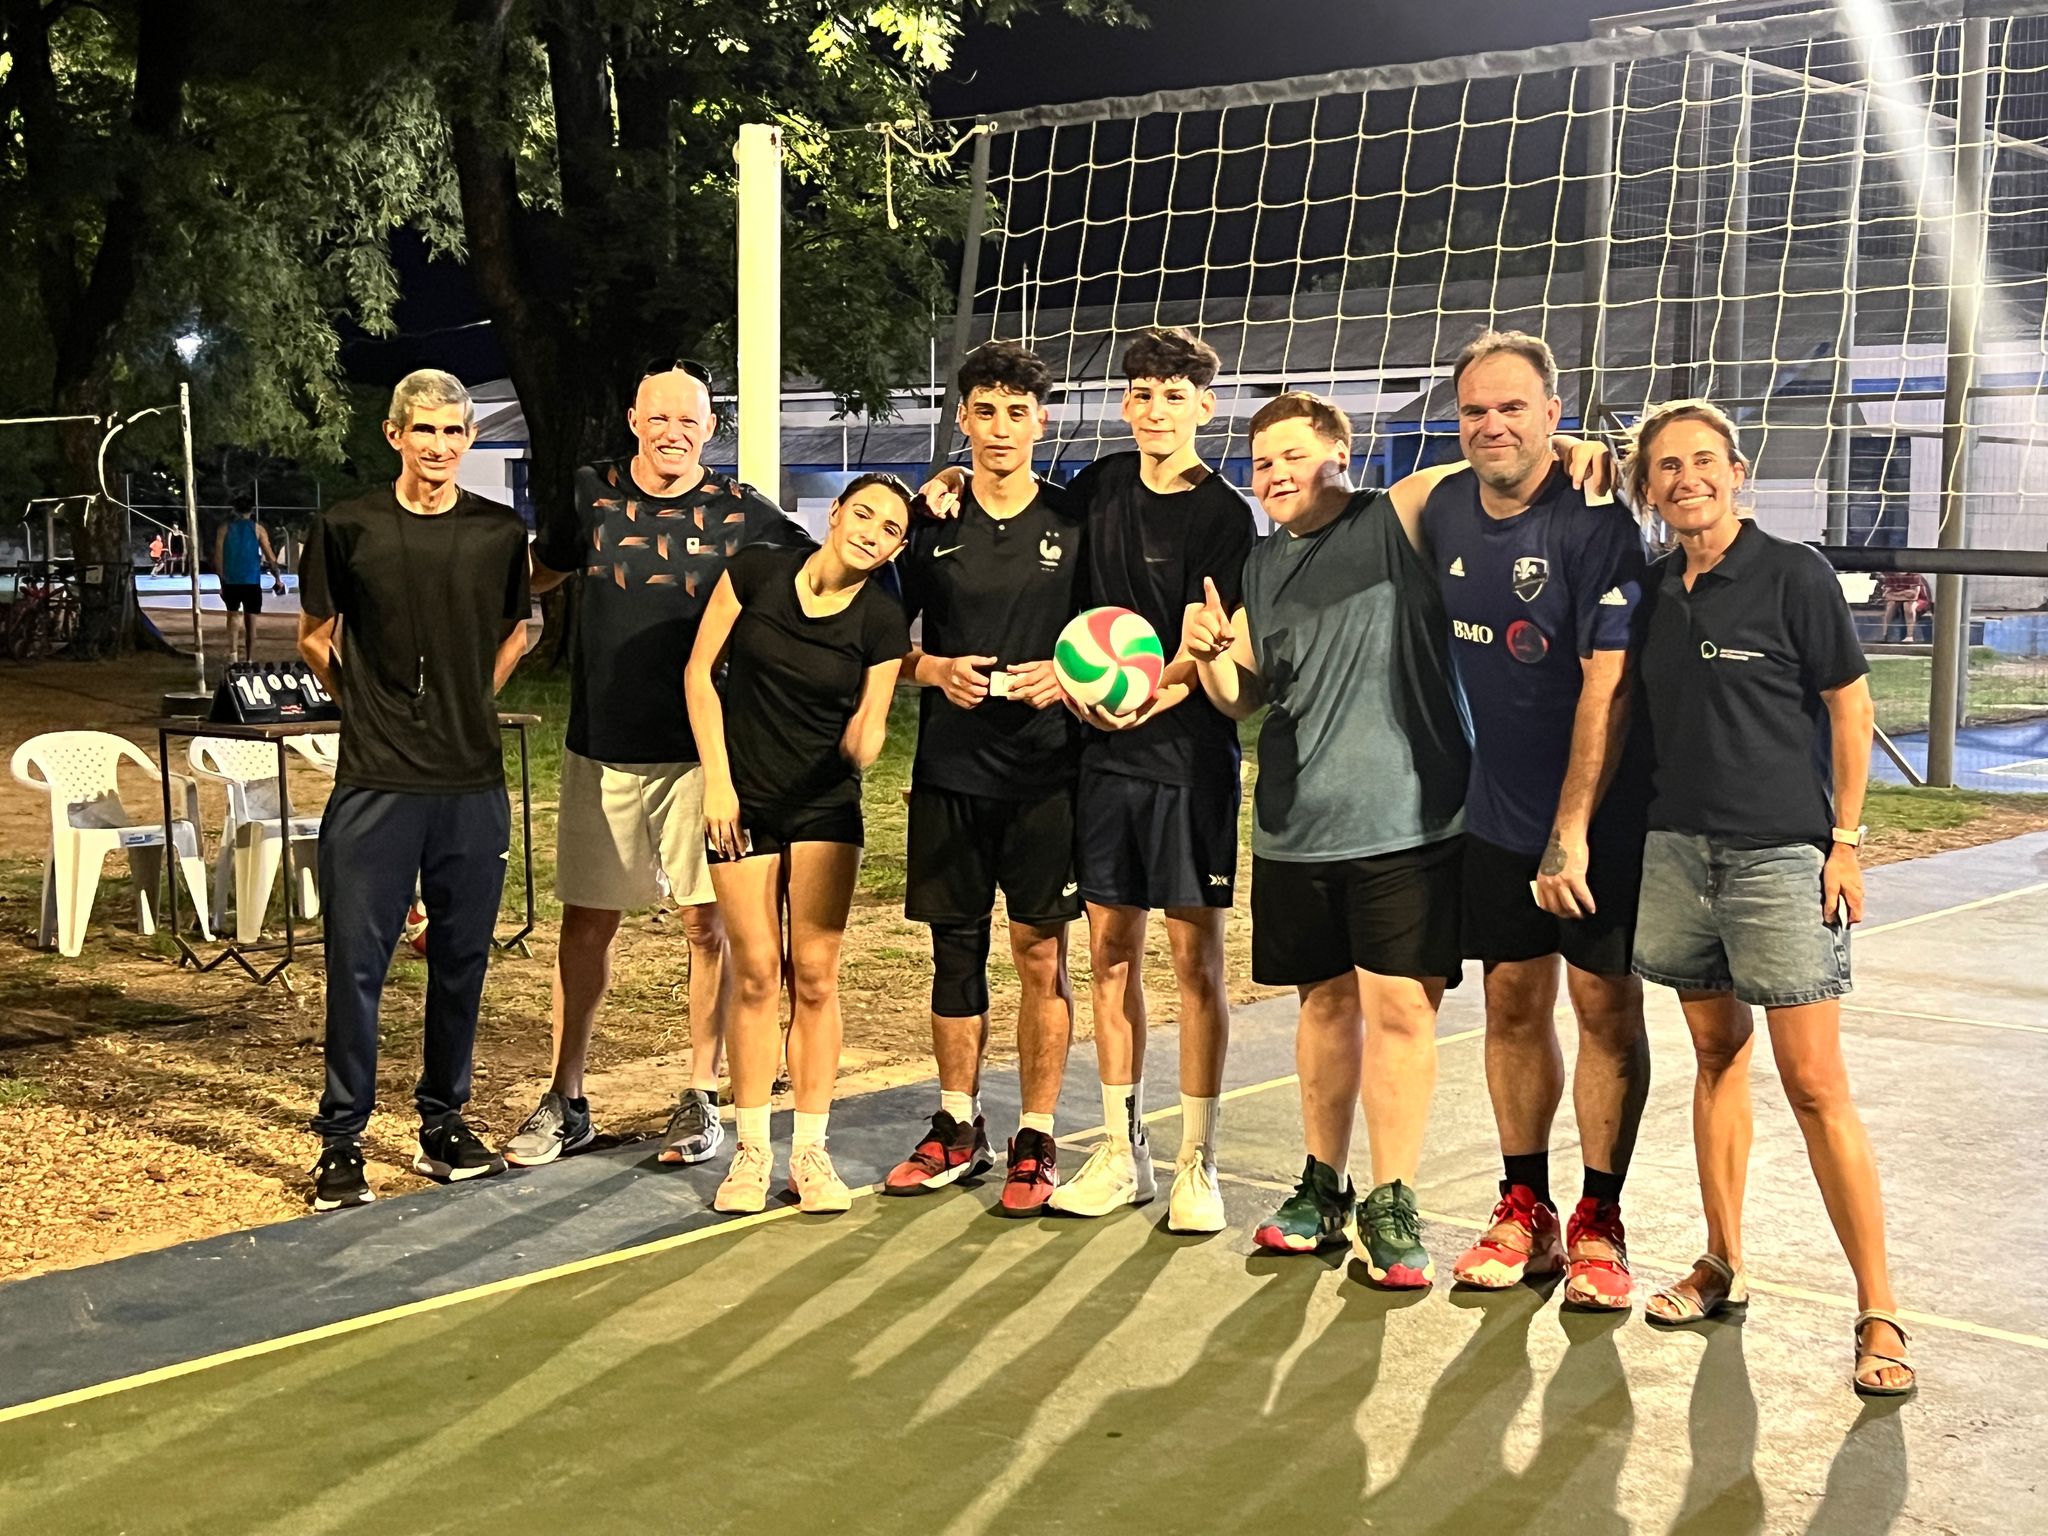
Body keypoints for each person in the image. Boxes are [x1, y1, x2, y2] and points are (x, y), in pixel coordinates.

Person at [1186, 392, 1611, 1283]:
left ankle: (1394, 1198)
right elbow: (1246, 696)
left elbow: (1492, 457)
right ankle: (1320, 1185)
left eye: (1295, 456)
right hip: (1299, 825)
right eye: (1262, 462)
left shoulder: (1397, 517)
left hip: (1410, 821)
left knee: (1402, 1011)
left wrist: (1566, 445)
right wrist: (1211, 659)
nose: (1276, 475)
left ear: (1340, 454)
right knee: (1324, 1007)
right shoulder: (1260, 565)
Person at [924, 325, 1256, 1233]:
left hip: (1185, 759)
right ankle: (1123, 1150)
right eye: (1141, 394)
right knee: (1110, 957)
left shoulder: (1225, 516)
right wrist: (949, 481)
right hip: (1099, 760)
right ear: (1124, 404)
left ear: (1204, 406)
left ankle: (1199, 1160)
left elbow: (1214, 641)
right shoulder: (1102, 487)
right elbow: (1011, 499)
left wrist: (1147, 696)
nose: (1155, 410)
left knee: (1196, 964)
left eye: (1174, 395)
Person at [1626, 398, 1913, 1397]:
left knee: (1813, 1084)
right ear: (1645, 488)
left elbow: (1850, 707)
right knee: (1713, 1058)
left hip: (1780, 861)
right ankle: (1719, 1260)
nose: (1683, 479)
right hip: (1674, 856)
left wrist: (1843, 842)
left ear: (1735, 471)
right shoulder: (1652, 587)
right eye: (1663, 467)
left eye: (1700, 461)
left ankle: (1876, 1311)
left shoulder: (1791, 575)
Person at [508, 360, 810, 1170]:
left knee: (705, 925)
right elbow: (537, 571)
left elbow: (825, 570)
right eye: (658, 418)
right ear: (634, 421)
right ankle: (567, 1096)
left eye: (690, 420)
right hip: (599, 747)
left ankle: (700, 1094)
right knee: (587, 923)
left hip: (701, 758)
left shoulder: (744, 513)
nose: (673, 432)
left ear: (712, 428)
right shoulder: (590, 492)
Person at [1422, 332, 1651, 1312]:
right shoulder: (1439, 509)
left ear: (1552, 414)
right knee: (1511, 1007)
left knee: (1603, 1011)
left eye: (1511, 406)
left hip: (1599, 821)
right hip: (1495, 814)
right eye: (1473, 410)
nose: (1491, 425)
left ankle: (1600, 1220)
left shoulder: (1597, 522)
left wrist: (1570, 831)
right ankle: (1526, 1207)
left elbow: (1609, 688)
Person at [296, 369, 531, 1211]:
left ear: (469, 440)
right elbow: (317, 638)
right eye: (423, 431)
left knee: (461, 961)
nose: (439, 447)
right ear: (393, 434)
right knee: (357, 964)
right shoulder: (347, 525)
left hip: (470, 781)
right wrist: (363, 705)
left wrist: (474, 695)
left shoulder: (499, 532)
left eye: (454, 433)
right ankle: (342, 1140)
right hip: (376, 782)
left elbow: (520, 629)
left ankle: (443, 1123)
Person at [886, 343, 1085, 1216]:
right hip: (950, 770)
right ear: (961, 418)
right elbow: (875, 636)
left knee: (1039, 951)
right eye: (985, 411)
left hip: (1049, 770)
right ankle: (956, 1124)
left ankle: (1036, 1134)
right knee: (953, 949)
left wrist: (1068, 676)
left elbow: (1122, 634)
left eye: (1018, 412)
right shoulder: (927, 522)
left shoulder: (1077, 522)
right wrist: (930, 670)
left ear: (1040, 422)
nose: (1000, 428)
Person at [685, 475, 912, 1214]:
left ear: (896, 550)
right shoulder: (756, 569)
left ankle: (809, 1154)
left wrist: (868, 735)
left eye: (890, 529)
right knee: (755, 975)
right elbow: (698, 674)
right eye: (864, 514)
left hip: (824, 806)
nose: (872, 531)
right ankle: (751, 1153)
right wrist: (717, 780)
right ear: (836, 514)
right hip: (740, 799)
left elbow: (871, 727)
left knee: (814, 974)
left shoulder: (881, 617)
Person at [213, 494, 286, 665]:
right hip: (252, 580)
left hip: (231, 580)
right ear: (252, 510)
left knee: (232, 616)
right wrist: (278, 579)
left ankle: (233, 657)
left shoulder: (224, 529)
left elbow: (218, 557)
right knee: (250, 620)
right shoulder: (258, 529)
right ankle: (250, 659)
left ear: (234, 509)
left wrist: (221, 579)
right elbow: (270, 557)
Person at [1876, 568, 1932, 644]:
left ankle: (1909, 636)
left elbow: (1914, 596)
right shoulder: (1891, 575)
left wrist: (1896, 594)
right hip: (1899, 599)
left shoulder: (1914, 575)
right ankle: (1885, 635)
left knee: (1908, 605)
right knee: (1890, 605)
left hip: (1919, 599)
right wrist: (1904, 594)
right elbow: (1886, 595)